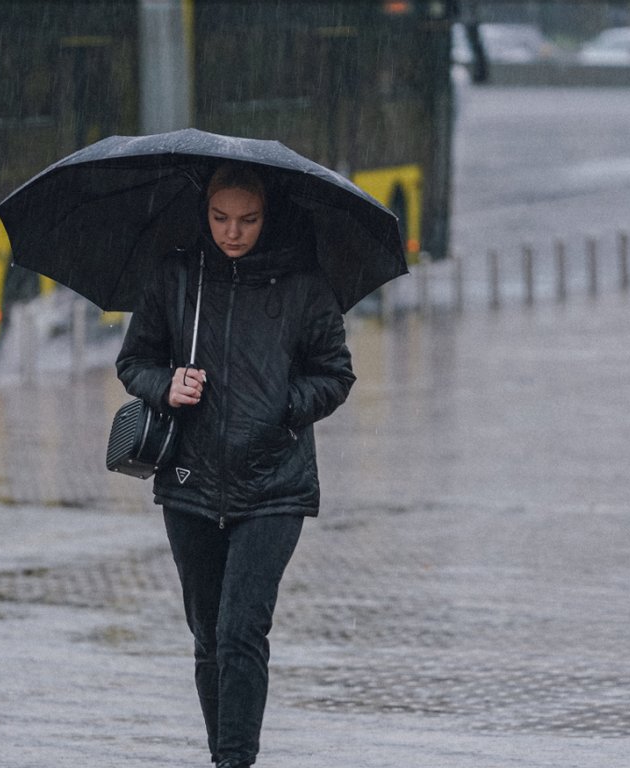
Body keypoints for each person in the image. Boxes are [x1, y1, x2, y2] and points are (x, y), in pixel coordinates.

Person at [116, 162, 355, 768]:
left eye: (247, 220)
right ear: (205, 214)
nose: (232, 232)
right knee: (207, 638)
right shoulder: (176, 277)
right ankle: (222, 753)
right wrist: (166, 383)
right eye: (221, 218)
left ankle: (234, 761)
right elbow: (133, 361)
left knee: (241, 632)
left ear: (266, 216)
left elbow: (335, 374)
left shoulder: (304, 285)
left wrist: (284, 405)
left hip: (275, 486)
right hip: (190, 484)